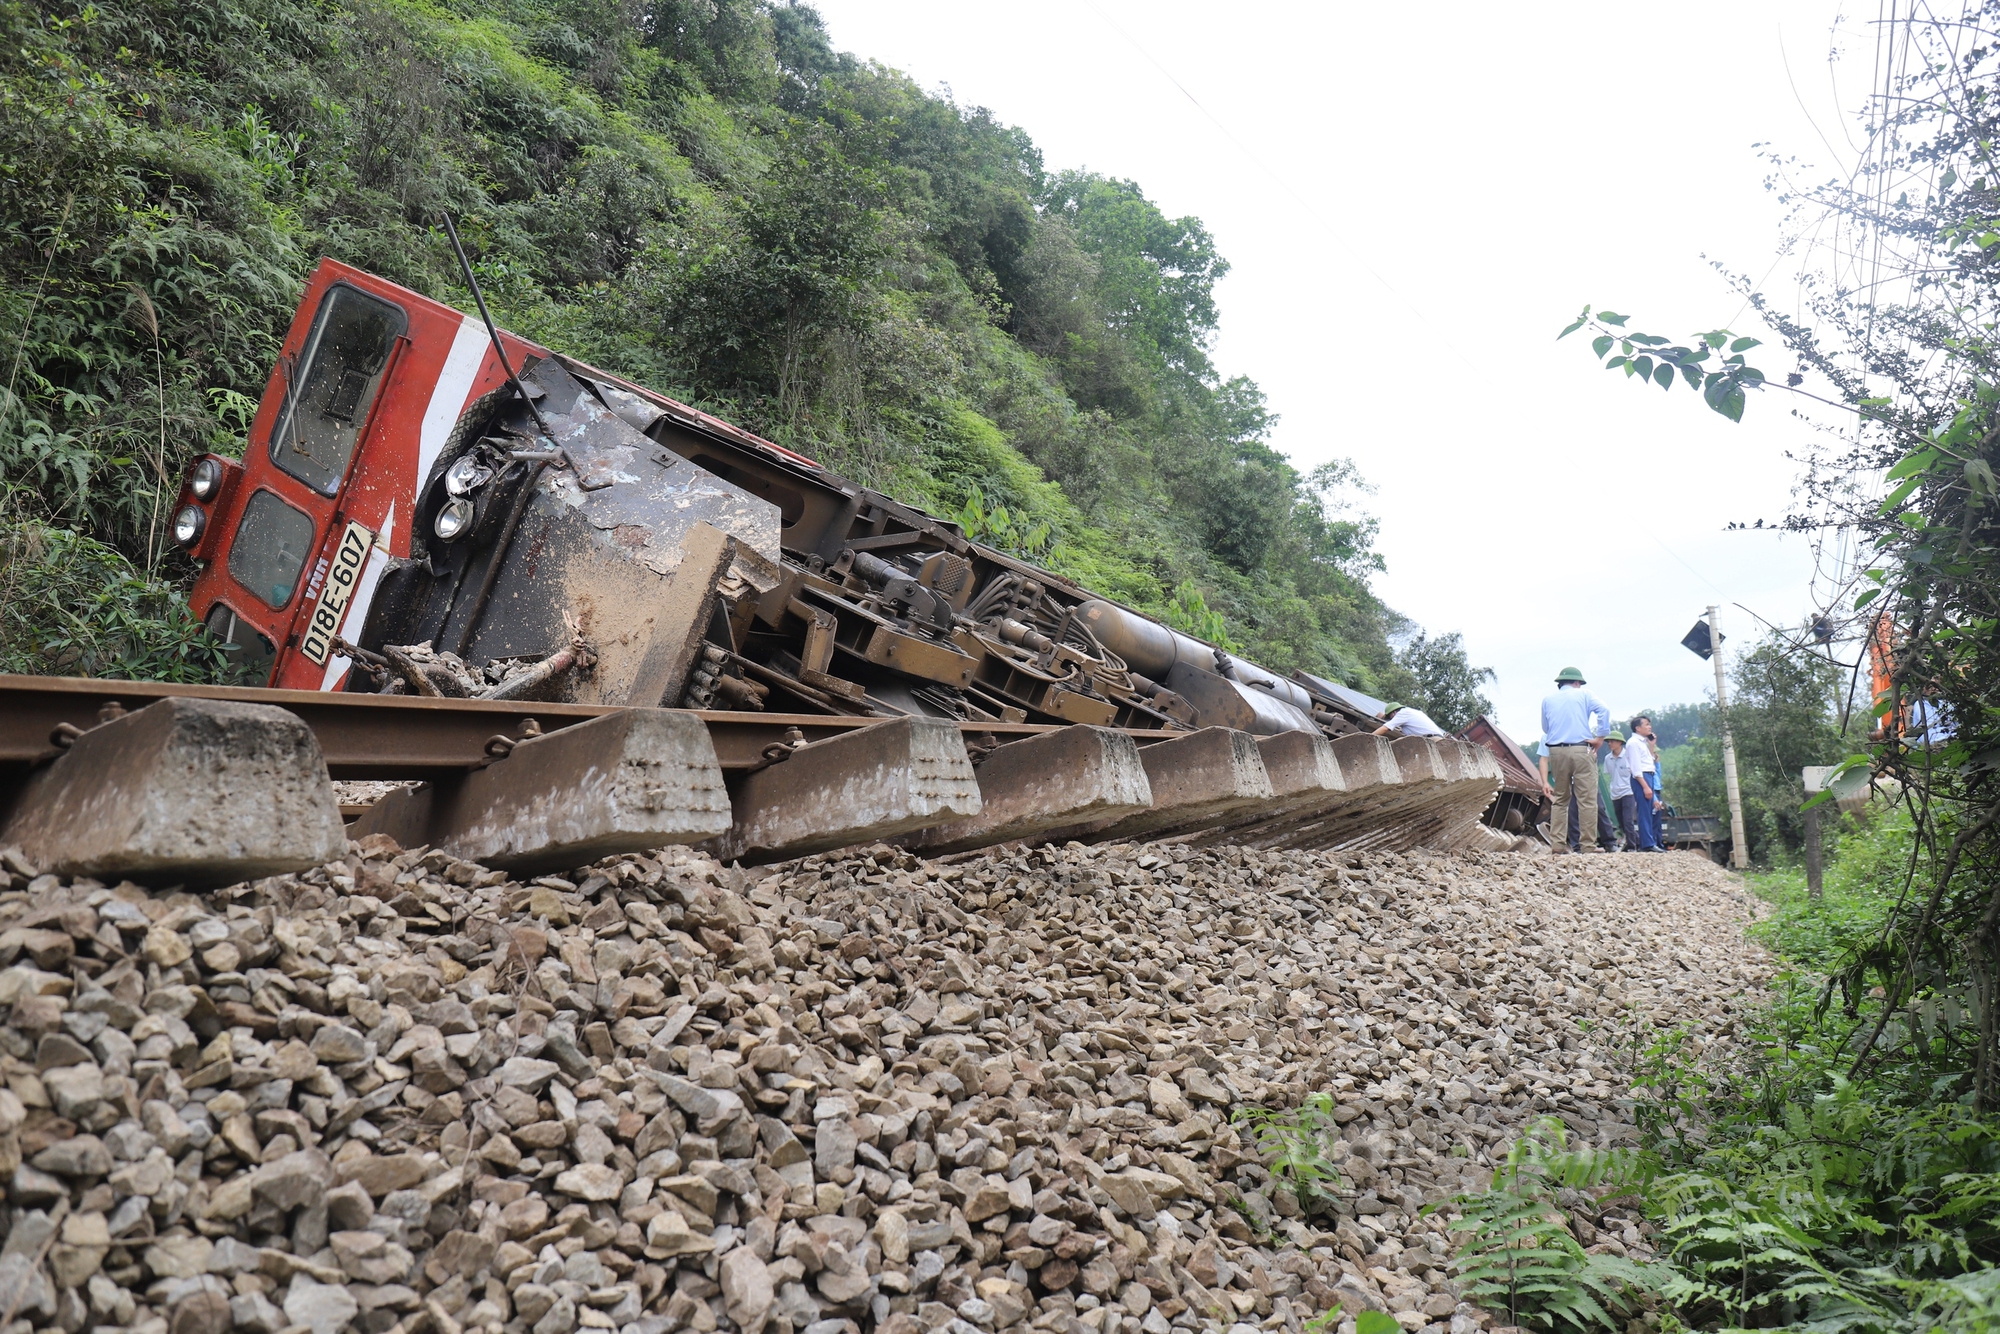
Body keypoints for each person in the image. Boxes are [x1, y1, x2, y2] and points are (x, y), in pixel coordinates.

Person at [1537, 666, 1611, 853]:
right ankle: (1587, 846)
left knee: (1560, 799)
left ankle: (1557, 844)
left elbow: (1546, 729)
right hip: (1581, 749)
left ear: (1560, 684)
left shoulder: (1548, 700)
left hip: (1556, 752)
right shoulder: (1584, 694)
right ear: (1577, 683)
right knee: (1586, 799)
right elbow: (1604, 710)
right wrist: (1600, 737)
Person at [1625, 715, 1663, 852]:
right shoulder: (1633, 743)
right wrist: (1645, 786)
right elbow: (1636, 768)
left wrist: (1651, 746)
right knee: (1644, 811)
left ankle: (1650, 841)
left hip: (1649, 775)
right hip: (1641, 778)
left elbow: (1650, 761)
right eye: (1646, 724)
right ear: (1638, 728)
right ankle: (1647, 844)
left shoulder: (1642, 743)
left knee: (1649, 811)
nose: (1649, 727)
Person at [1602, 731, 1641, 851]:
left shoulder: (1628, 756)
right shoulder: (1607, 758)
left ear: (1620, 742)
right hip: (1615, 793)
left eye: (1612, 741)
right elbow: (1609, 774)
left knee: (1628, 820)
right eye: (1608, 741)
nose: (1609, 743)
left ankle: (1631, 846)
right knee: (1621, 822)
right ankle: (1638, 842)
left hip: (1628, 792)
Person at [1373, 702, 1446, 737]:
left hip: (1433, 740)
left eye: (1390, 717)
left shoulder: (1402, 713)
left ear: (1394, 713)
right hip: (1437, 738)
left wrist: (1368, 737)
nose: (1391, 719)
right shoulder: (1411, 712)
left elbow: (1385, 728)